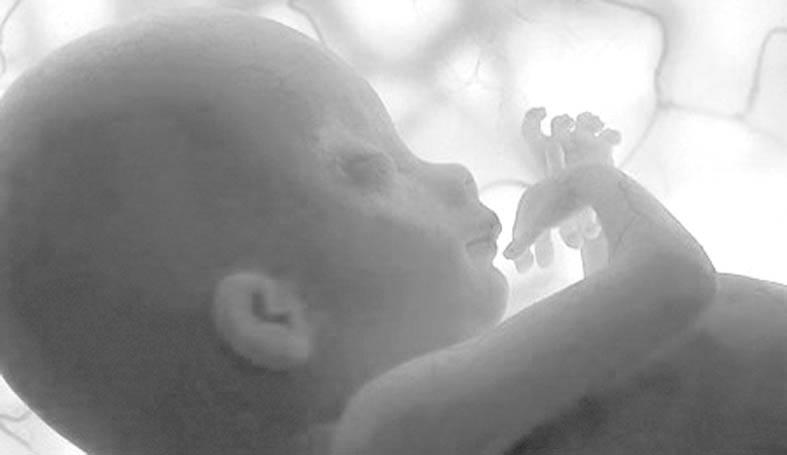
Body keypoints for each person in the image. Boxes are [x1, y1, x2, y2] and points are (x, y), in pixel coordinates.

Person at [0, 8, 738, 455]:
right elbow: (674, 283)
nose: (455, 174)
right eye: (372, 169)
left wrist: (594, 243)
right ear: (273, 314)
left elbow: (624, 373)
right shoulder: (390, 428)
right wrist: (604, 186)